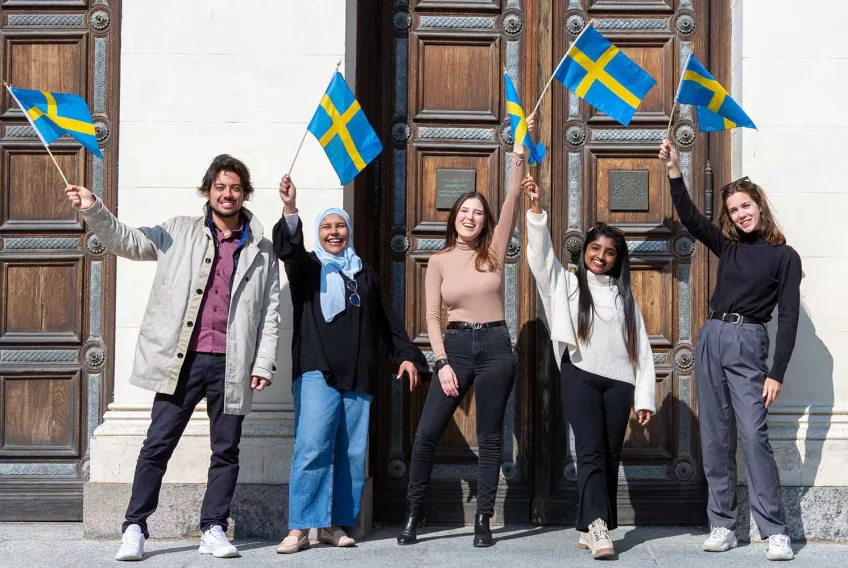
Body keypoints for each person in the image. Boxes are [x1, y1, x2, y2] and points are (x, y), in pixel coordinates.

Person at [65, 155, 280, 561]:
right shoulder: (177, 231)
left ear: (245, 194)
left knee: (226, 451)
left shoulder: (261, 248)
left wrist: (263, 362)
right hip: (181, 361)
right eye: (220, 187)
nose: (227, 194)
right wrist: (94, 208)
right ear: (207, 192)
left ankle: (214, 528)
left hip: (232, 364)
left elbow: (270, 310)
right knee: (157, 445)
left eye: (235, 187)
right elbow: (125, 240)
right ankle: (134, 527)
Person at [397, 119, 536, 548]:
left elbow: (513, 197)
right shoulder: (437, 262)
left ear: (484, 220)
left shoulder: (493, 251)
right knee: (426, 434)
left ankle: (483, 520)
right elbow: (433, 318)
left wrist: (517, 150)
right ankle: (412, 515)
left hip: (495, 346)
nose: (471, 217)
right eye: (465, 212)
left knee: (491, 436)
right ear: (454, 218)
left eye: (478, 212)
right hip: (454, 347)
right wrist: (439, 362)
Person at [659, 140, 800, 561]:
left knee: (754, 435)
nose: (741, 214)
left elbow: (788, 318)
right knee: (716, 436)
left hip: (749, 341)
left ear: (760, 205)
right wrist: (672, 170)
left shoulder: (784, 256)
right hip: (712, 337)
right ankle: (722, 524)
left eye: (746, 205)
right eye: (734, 210)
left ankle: (775, 529)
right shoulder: (730, 247)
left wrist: (777, 372)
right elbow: (689, 218)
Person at [272, 175, 427, 554]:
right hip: (316, 370)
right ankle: (301, 527)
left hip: (359, 374)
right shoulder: (308, 269)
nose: (334, 232)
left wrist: (406, 356)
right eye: (326, 226)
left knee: (351, 453)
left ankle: (337, 525)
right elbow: (289, 251)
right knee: (312, 446)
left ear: (349, 231)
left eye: (340, 225)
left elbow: (386, 321)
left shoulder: (364, 273)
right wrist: (291, 209)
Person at [522, 177, 655, 559]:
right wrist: (535, 210)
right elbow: (539, 258)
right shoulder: (564, 284)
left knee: (610, 454)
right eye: (595, 248)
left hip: (620, 383)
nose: (600, 255)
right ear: (585, 252)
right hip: (580, 374)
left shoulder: (625, 296)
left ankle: (590, 523)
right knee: (592, 450)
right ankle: (599, 527)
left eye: (609, 251)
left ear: (618, 258)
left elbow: (641, 349)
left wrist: (644, 396)